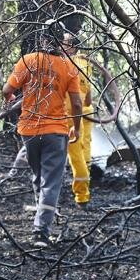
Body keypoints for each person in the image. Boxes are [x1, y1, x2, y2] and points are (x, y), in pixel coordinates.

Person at [3, 32, 83, 248]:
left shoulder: (27, 61)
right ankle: (41, 232)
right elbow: (76, 104)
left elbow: (7, 90)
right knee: (50, 182)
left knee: (39, 177)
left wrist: (13, 101)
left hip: (29, 131)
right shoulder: (68, 67)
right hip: (56, 132)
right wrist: (76, 128)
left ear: (43, 40)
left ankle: (43, 218)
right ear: (60, 43)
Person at [62, 34, 95, 207]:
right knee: (85, 150)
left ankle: (82, 195)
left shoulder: (67, 64)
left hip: (72, 114)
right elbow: (88, 97)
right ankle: (86, 184)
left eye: (65, 43)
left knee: (75, 156)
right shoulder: (85, 63)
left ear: (72, 46)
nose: (61, 45)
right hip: (87, 111)